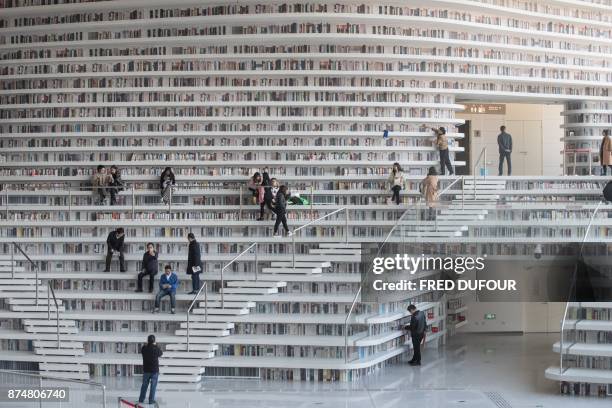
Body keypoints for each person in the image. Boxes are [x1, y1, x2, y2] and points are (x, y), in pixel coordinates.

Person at [138, 334, 162, 406]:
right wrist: (156, 345)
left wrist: (146, 345)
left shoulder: (144, 348)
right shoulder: (156, 348)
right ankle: (151, 400)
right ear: (154, 341)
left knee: (144, 385)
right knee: (153, 386)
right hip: (154, 371)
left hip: (146, 370)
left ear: (148, 341)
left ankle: (141, 399)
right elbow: (161, 353)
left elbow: (142, 350)